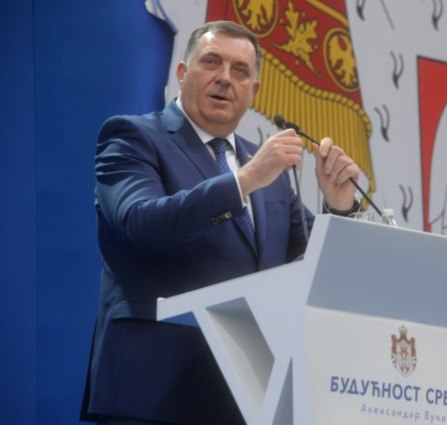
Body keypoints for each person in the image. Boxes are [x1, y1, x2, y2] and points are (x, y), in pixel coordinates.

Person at [81, 20, 361, 425]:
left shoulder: (265, 168)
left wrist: (340, 207)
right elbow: (140, 225)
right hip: (153, 390)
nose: (225, 78)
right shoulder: (132, 137)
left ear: (254, 91)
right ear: (183, 72)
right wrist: (243, 182)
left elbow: (314, 261)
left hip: (248, 393)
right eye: (212, 62)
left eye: (240, 70)